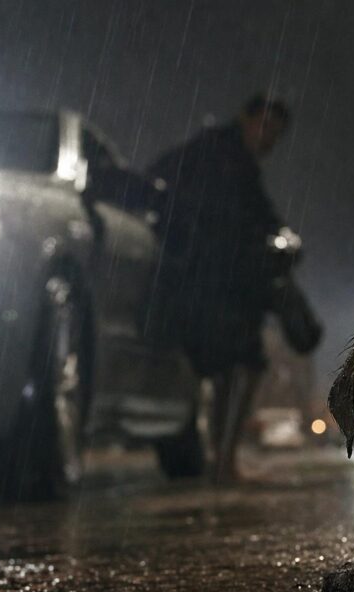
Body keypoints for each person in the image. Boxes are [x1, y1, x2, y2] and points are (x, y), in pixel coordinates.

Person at [147, 94, 298, 483]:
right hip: (214, 283)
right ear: (246, 119)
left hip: (208, 280)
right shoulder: (222, 155)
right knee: (240, 365)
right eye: (264, 127)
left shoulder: (222, 154)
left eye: (275, 135)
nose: (268, 140)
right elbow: (247, 216)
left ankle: (217, 457)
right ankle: (222, 461)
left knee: (224, 366)